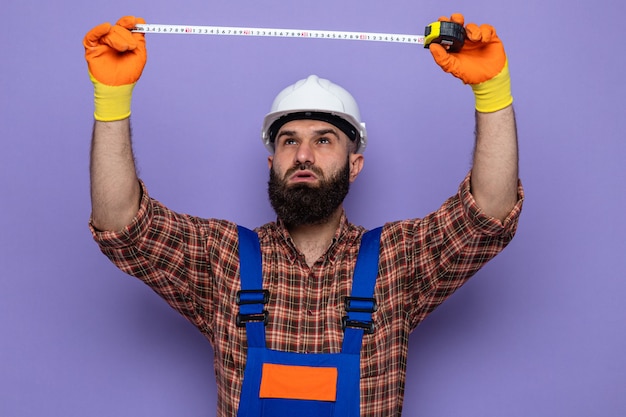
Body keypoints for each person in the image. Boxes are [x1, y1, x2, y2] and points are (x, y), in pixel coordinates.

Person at [84, 13, 523, 417]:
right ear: (271, 162)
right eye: (288, 141)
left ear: (355, 164)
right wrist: (112, 100)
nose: (304, 156)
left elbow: (488, 213)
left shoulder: (397, 260)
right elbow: (122, 223)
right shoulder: (222, 257)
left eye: (325, 140)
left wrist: (492, 92)